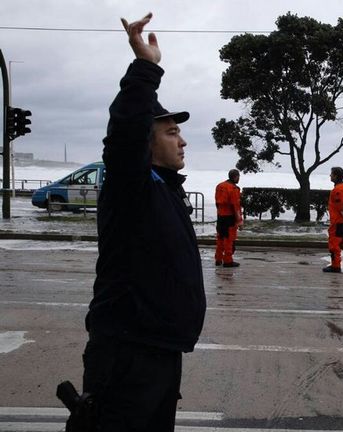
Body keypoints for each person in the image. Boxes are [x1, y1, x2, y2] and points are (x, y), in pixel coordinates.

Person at [74, 13, 206, 431]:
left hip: (160, 351)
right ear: (145, 143)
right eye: (170, 132)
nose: (182, 140)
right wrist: (145, 68)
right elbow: (125, 132)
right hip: (128, 354)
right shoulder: (130, 186)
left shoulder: (164, 188)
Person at [215, 169, 243, 267]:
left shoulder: (220, 186)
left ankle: (218, 259)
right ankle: (228, 261)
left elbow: (217, 202)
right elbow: (236, 206)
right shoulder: (234, 189)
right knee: (229, 239)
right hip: (229, 217)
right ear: (236, 177)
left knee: (220, 237)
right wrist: (239, 221)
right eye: (238, 176)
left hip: (220, 216)